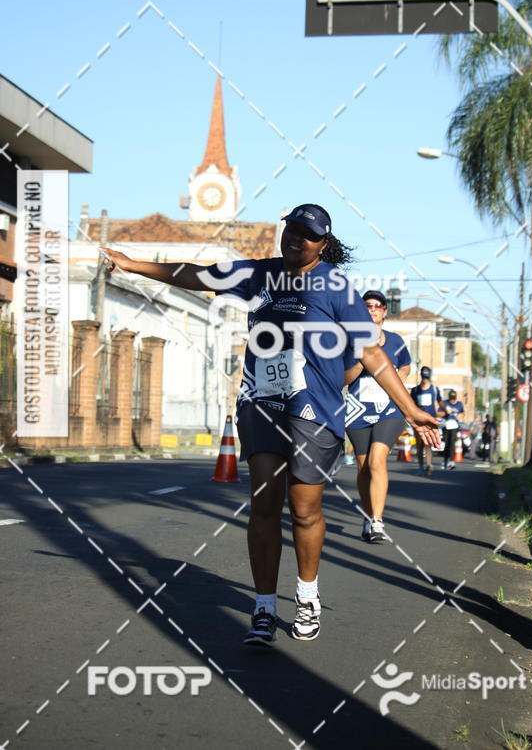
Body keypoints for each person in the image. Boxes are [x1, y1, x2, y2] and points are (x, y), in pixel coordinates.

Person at [101, 203, 440, 648]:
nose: (296, 240)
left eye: (308, 235)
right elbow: (197, 275)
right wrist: (134, 266)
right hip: (261, 402)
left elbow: (372, 352)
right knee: (263, 504)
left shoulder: (335, 286)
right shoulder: (259, 274)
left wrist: (411, 409)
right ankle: (263, 607)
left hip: (314, 409)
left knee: (304, 510)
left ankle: (306, 594)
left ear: (323, 243)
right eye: (292, 231)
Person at [344, 290, 411, 543]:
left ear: (384, 311)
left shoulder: (395, 340)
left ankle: (377, 520)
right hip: (358, 409)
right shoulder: (350, 342)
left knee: (377, 460)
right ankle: (368, 513)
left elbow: (405, 364)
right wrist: (364, 361)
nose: (372, 310)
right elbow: (344, 379)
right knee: (363, 467)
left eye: (377, 306)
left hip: (389, 408)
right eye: (367, 306)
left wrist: (399, 380)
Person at [410, 367, 443, 477]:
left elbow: (440, 402)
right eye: (423, 377)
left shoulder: (434, 390)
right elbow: (411, 405)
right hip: (418, 421)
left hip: (430, 420)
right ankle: (421, 467)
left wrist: (445, 412)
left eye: (427, 378)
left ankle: (429, 464)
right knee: (419, 445)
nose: (425, 380)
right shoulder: (415, 390)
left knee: (428, 443)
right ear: (421, 376)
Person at [440, 389, 465, 470]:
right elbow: (438, 413)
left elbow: (462, 413)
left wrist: (460, 415)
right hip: (446, 425)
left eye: (454, 399)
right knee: (446, 444)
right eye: (451, 399)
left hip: (454, 425)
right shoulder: (444, 403)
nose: (452, 401)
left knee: (452, 444)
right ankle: (445, 460)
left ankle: (451, 461)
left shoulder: (459, 404)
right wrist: (446, 412)